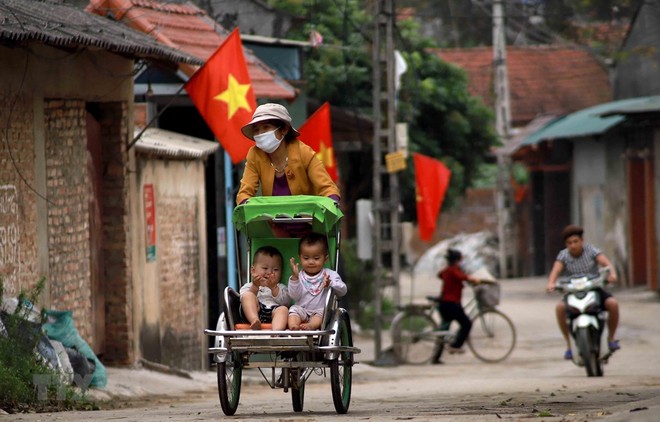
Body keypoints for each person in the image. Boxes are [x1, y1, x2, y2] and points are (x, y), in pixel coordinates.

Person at [236, 103, 340, 205]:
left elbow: (327, 188)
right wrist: (246, 204)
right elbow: (245, 193)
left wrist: (332, 201)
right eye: (256, 130)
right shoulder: (255, 154)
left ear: (284, 129)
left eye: (266, 127)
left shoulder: (303, 152)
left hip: (306, 219)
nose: (260, 134)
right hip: (272, 220)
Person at [545, 224, 620, 360]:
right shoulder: (563, 255)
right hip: (573, 292)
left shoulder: (591, 250)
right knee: (560, 308)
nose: (573, 245)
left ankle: (611, 338)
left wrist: (612, 275)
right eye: (569, 243)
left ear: (582, 241)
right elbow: (555, 271)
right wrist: (551, 283)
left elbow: (606, 264)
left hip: (594, 290)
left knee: (613, 304)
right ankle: (569, 345)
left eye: (575, 242)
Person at [287, 232, 347, 330]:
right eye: (306, 258)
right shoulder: (299, 275)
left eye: (316, 258)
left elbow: (343, 291)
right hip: (302, 309)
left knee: (322, 313)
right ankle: (294, 327)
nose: (311, 262)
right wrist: (295, 278)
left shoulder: (329, 274)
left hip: (320, 310)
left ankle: (310, 326)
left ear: (325, 259)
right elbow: (294, 296)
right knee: (293, 310)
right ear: (300, 258)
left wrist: (331, 283)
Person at [432, 248, 481, 363]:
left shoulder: (448, 270)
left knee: (444, 330)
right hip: (451, 304)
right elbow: (462, 277)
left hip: (445, 304)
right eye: (460, 260)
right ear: (456, 261)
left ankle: (436, 358)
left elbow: (440, 275)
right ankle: (456, 345)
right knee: (466, 323)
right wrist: (474, 279)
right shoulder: (453, 270)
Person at [239, 246, 291, 330]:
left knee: (283, 309)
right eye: (265, 268)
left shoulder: (281, 287)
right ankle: (254, 320)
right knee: (248, 296)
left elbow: (286, 302)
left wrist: (274, 288)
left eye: (276, 269)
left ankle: (276, 332)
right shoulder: (249, 286)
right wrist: (255, 286)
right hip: (256, 312)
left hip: (274, 312)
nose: (270, 272)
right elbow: (243, 299)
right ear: (253, 270)